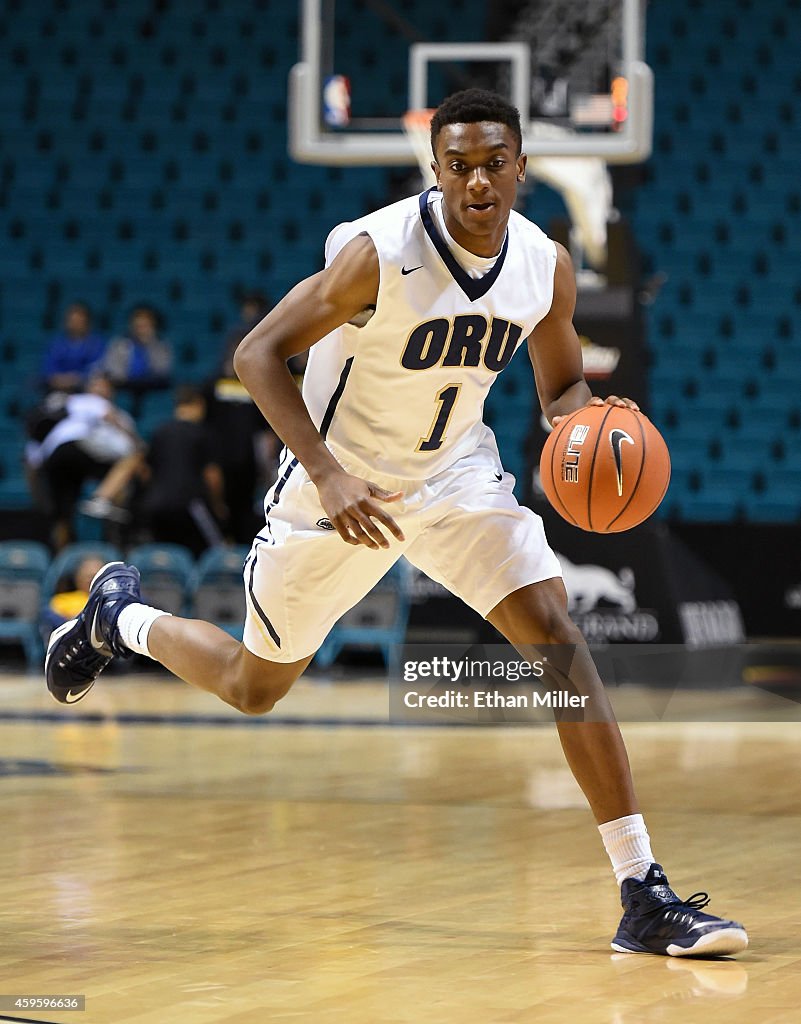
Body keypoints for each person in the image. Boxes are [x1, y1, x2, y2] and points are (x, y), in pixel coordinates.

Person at [45, 89, 747, 958]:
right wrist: (331, 475)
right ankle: (121, 617)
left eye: (494, 163)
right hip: (337, 495)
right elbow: (257, 355)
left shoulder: (544, 264)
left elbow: (561, 385)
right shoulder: (379, 254)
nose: (477, 182)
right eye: (458, 166)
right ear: (436, 171)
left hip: (455, 475)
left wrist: (586, 420)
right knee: (252, 687)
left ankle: (641, 891)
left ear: (522, 168)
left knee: (560, 644)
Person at [27, 372, 144, 549]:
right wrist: (138, 442)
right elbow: (109, 417)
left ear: (112, 391)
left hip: (57, 459)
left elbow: (32, 459)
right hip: (77, 448)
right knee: (133, 457)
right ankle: (102, 498)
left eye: (104, 386)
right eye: (96, 385)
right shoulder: (82, 400)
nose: (99, 389)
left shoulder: (66, 408)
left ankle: (64, 558)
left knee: (63, 516)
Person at [139, 384, 227, 556]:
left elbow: (144, 471)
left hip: (156, 505)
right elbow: (212, 475)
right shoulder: (203, 433)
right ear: (199, 404)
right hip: (190, 505)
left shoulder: (159, 431)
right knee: (210, 553)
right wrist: (218, 505)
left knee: (163, 556)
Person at [103, 304, 173, 415]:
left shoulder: (161, 346)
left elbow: (162, 370)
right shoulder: (119, 344)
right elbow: (114, 372)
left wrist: (150, 344)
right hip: (124, 389)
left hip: (152, 389)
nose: (141, 329)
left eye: (145, 325)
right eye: (138, 325)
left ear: (153, 326)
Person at [41, 302, 106, 393]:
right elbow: (49, 370)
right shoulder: (56, 344)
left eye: (79, 320)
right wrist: (60, 380)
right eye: (72, 320)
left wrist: (75, 379)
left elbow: (95, 370)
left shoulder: (96, 344)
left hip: (86, 390)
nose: (75, 324)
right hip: (57, 390)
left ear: (87, 322)